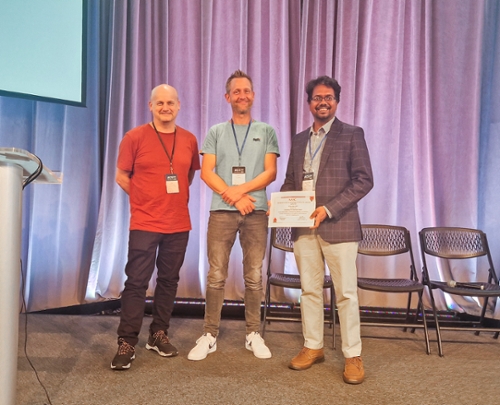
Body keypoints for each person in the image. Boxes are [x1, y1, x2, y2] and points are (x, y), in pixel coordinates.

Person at [280, 76, 373, 384]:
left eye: (329, 97)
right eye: (317, 97)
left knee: (346, 294)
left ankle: (353, 355)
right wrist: (281, 206)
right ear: (309, 103)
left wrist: (328, 209)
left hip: (339, 226)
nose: (323, 101)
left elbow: (363, 180)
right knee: (308, 291)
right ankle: (313, 346)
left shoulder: (352, 134)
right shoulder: (297, 140)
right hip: (304, 229)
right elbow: (292, 182)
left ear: (337, 101)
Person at [188, 70, 279, 361]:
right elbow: (206, 171)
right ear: (228, 97)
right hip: (222, 212)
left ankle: (253, 333)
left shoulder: (266, 131)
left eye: (247, 91)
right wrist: (232, 195)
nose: (243, 95)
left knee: (254, 275)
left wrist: (238, 193)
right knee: (216, 275)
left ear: (253, 96)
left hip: (255, 211)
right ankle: (209, 334)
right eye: (237, 91)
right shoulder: (216, 131)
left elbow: (270, 172)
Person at [111, 84, 201, 370]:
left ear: (179, 106)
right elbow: (122, 176)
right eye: (160, 102)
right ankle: (127, 341)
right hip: (145, 222)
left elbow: (187, 175)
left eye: (170, 103)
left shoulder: (188, 139)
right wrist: (144, 199)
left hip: (178, 224)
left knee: (168, 281)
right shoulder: (134, 137)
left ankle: (158, 333)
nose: (165, 107)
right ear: (151, 106)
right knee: (136, 283)